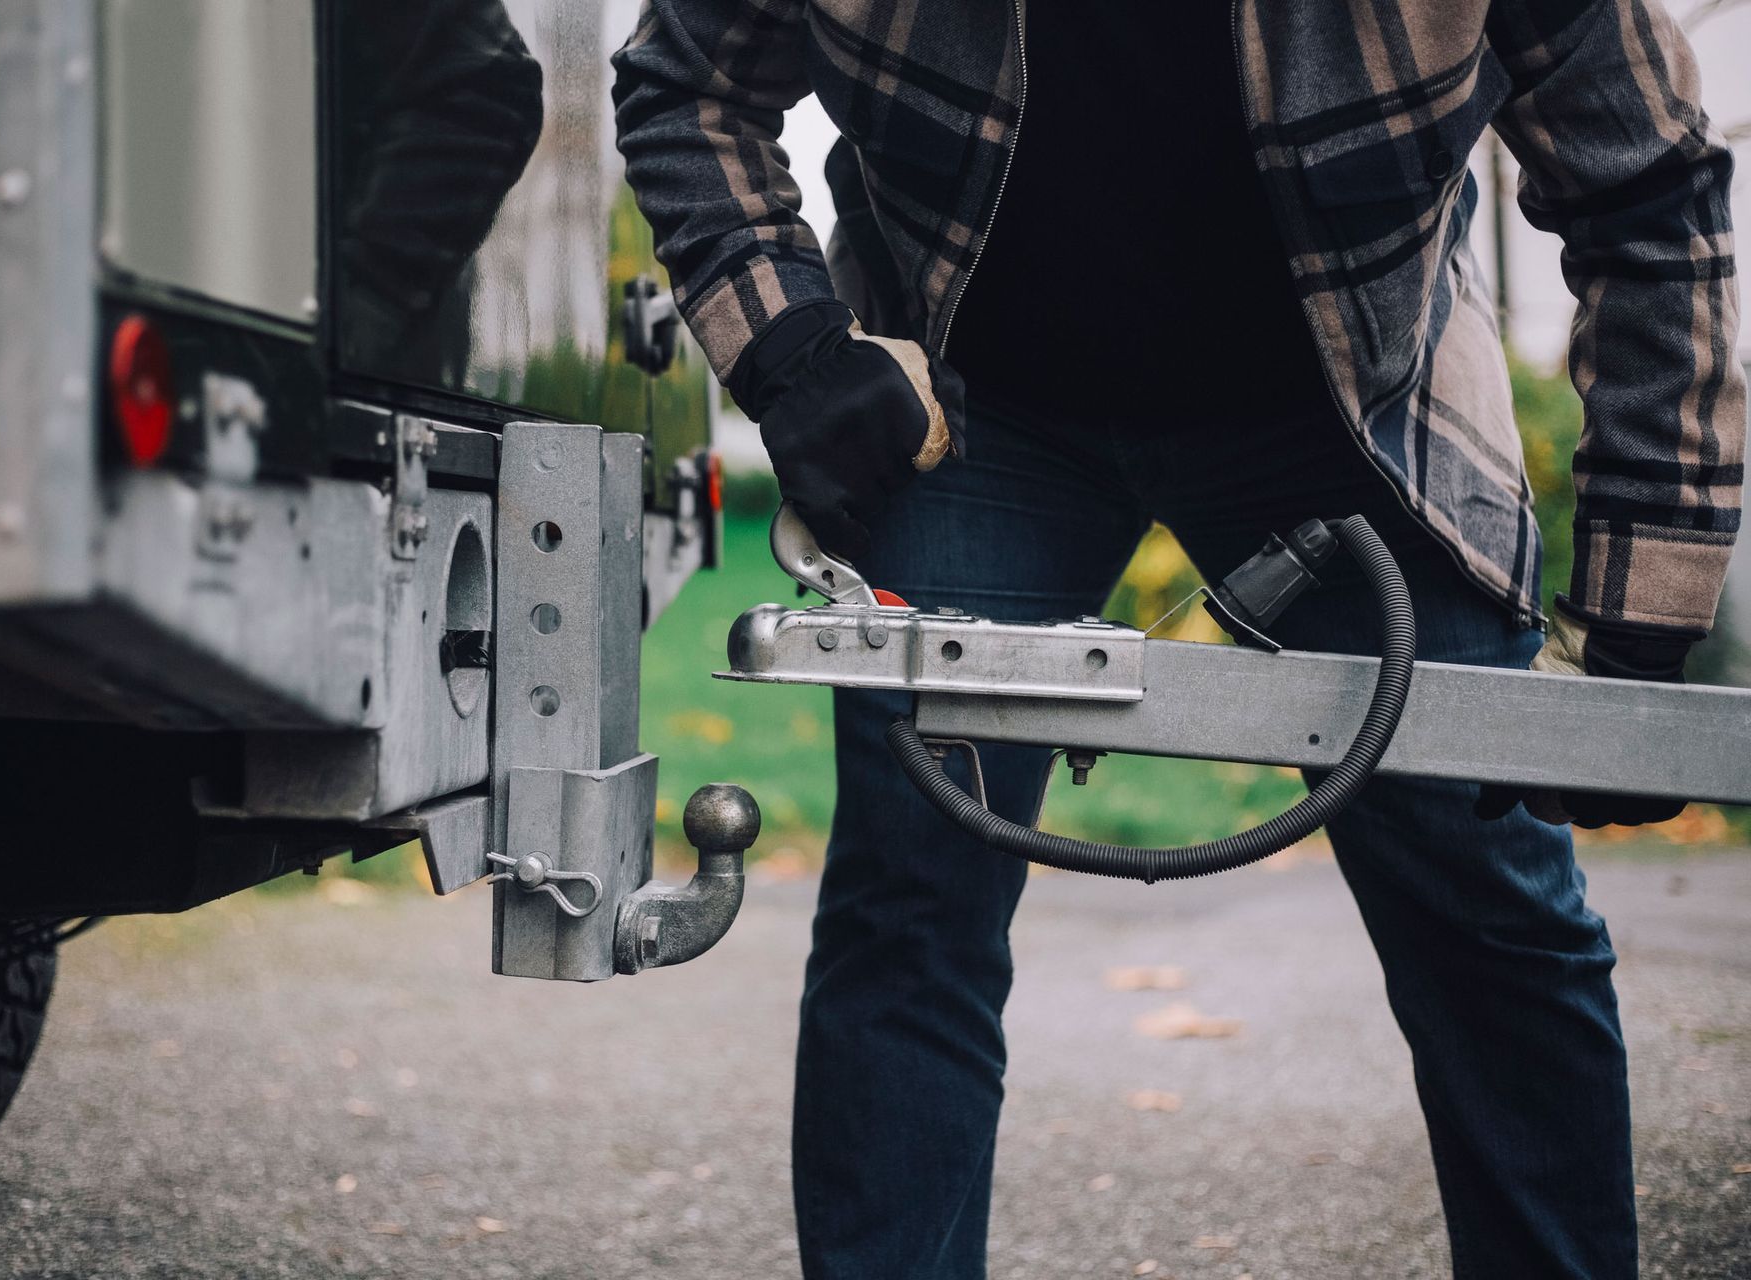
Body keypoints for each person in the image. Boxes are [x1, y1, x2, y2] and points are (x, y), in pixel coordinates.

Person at [611, 2, 1743, 1275]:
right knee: (912, 904)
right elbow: (685, 86)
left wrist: (1645, 618)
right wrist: (796, 350)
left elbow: (1646, 182)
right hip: (981, 408)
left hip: (1343, 409)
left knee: (1490, 905)